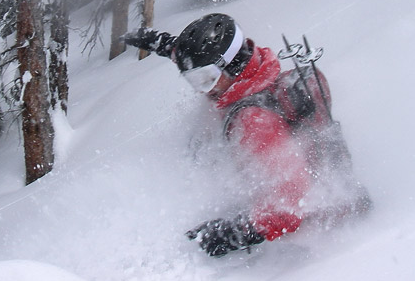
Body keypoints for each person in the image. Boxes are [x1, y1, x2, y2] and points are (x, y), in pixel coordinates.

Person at [122, 13, 371, 257]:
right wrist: (160, 42)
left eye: (205, 79)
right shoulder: (246, 72)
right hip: (271, 185)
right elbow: (194, 59)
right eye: (193, 80)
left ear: (231, 65)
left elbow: (290, 206)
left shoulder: (255, 122)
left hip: (303, 233)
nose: (201, 90)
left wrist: (233, 233)